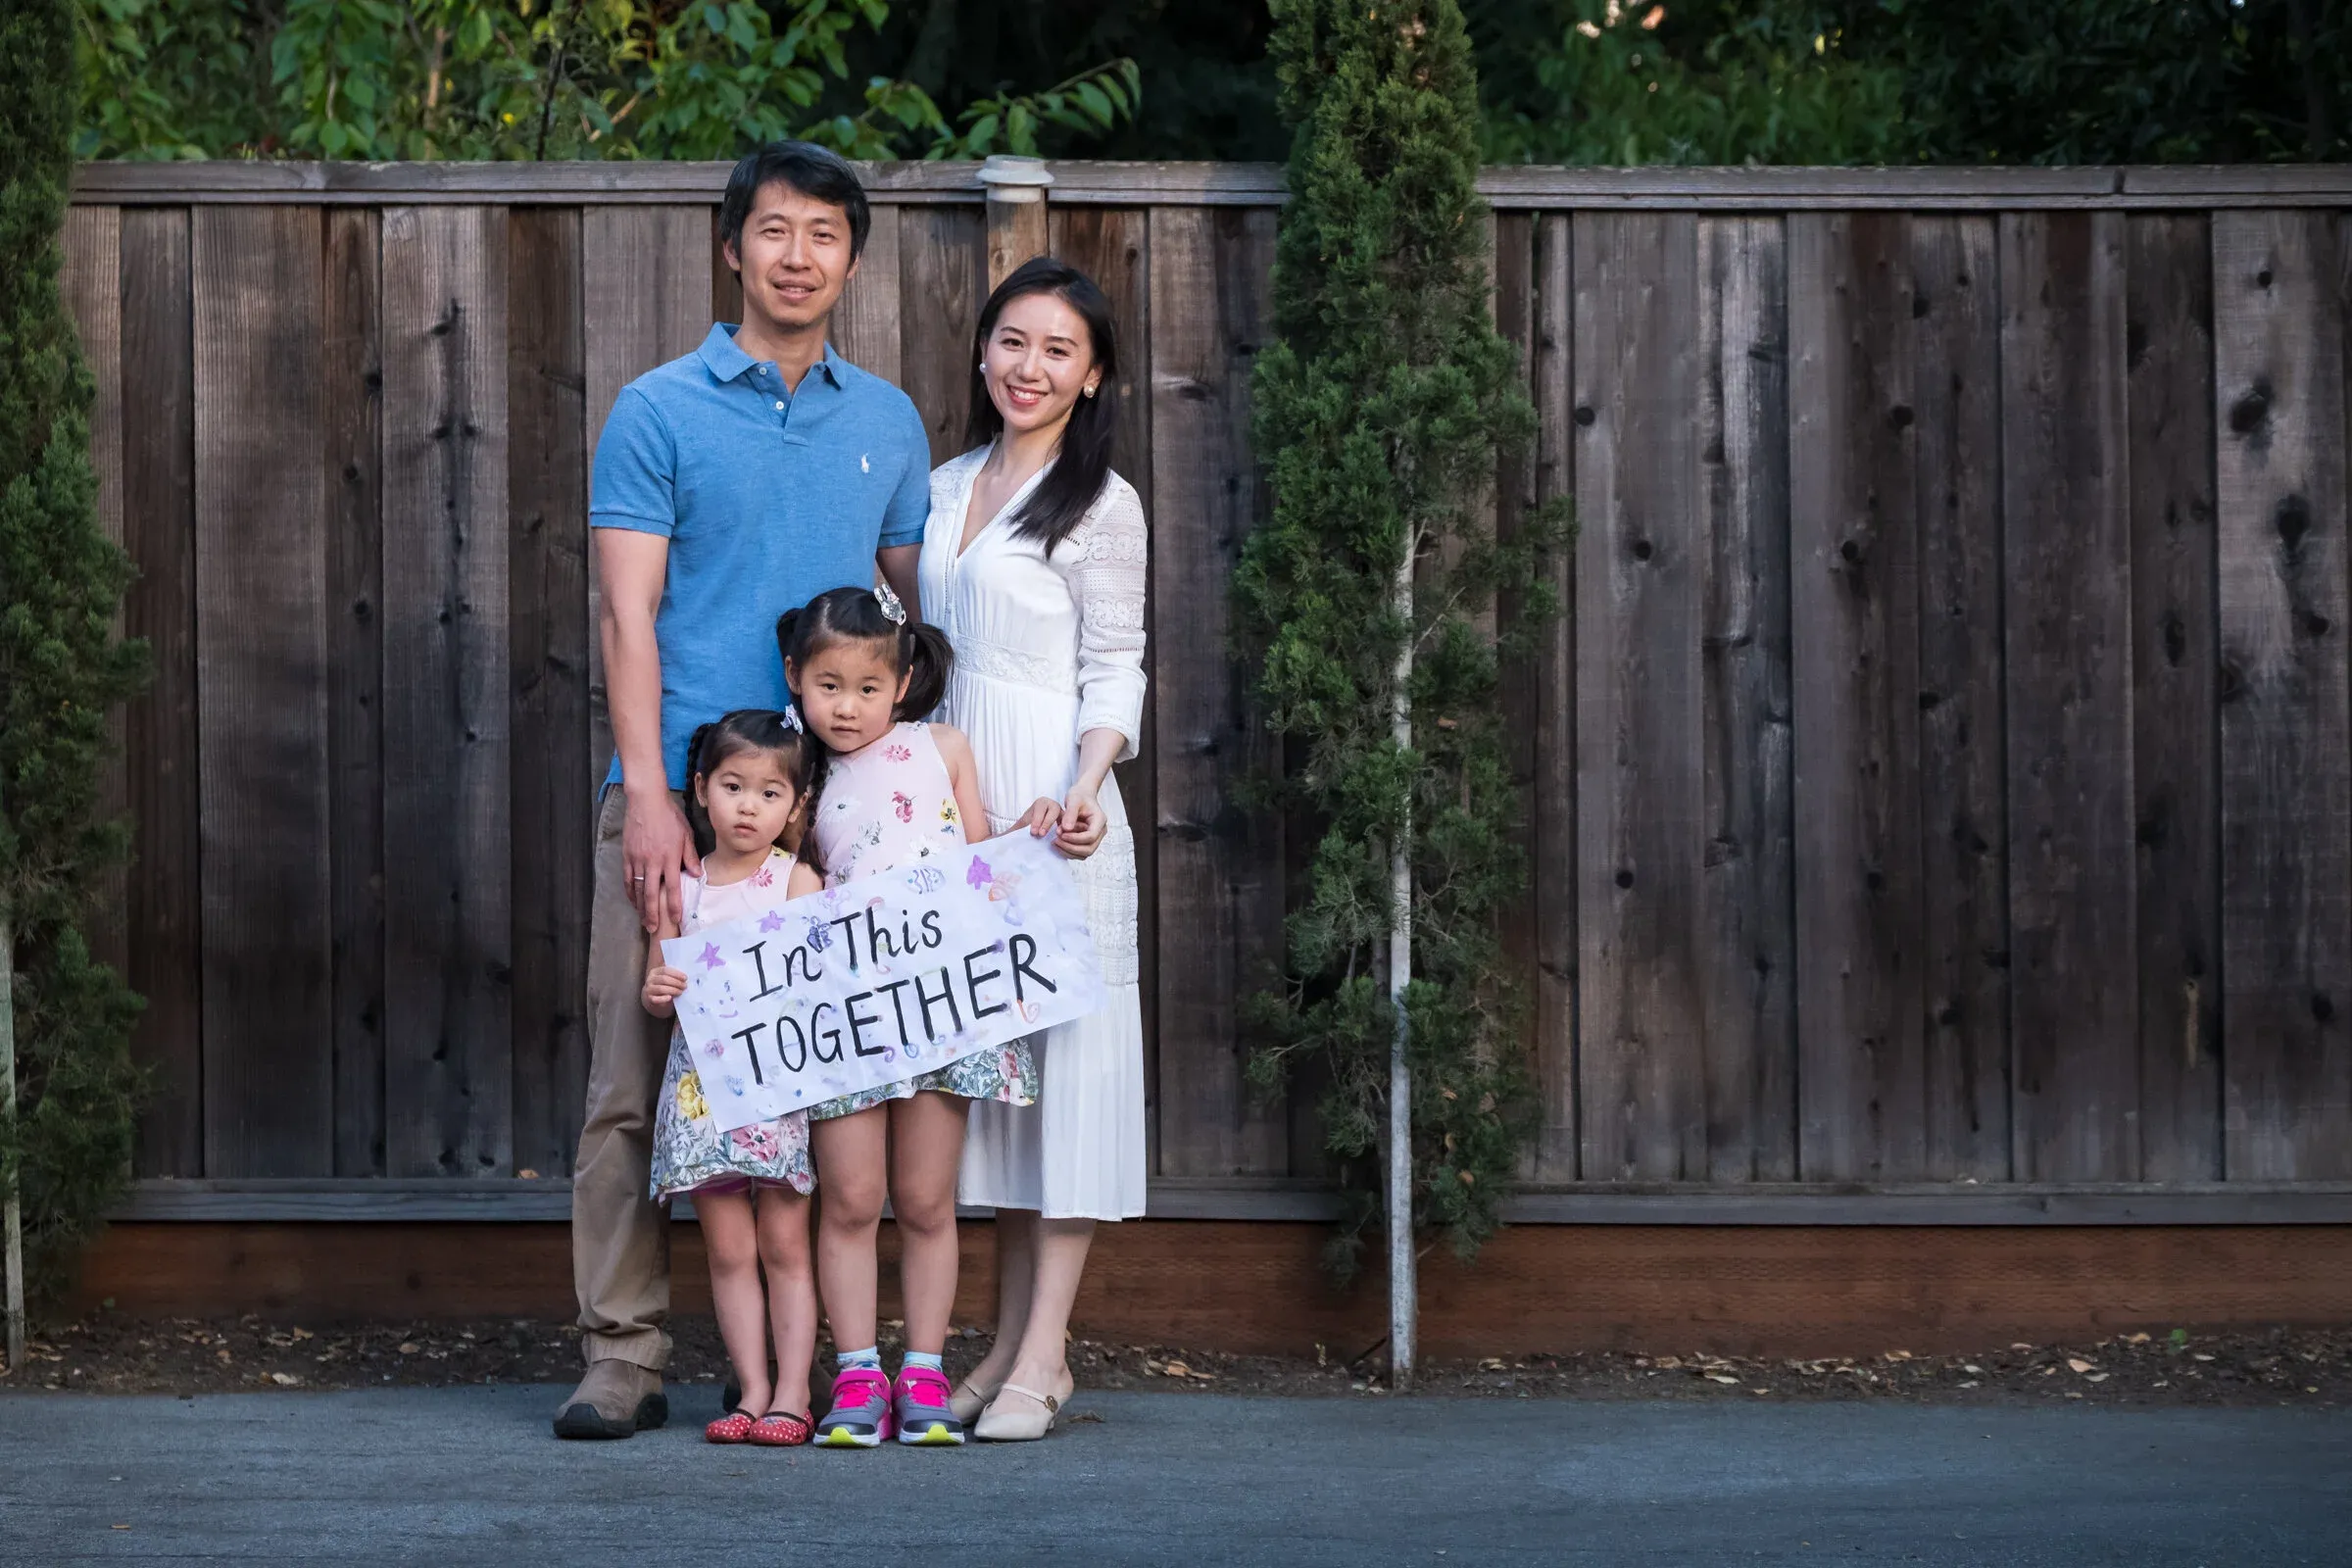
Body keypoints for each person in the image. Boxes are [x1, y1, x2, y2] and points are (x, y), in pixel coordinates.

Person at [559, 140, 930, 1441]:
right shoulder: (656, 410)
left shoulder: (887, 421)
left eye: (823, 235)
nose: (796, 256)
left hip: (825, 825)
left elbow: (903, 623)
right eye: (773, 230)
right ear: (733, 246)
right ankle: (624, 1355)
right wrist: (655, 795)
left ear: (851, 259)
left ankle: (792, 1362)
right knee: (633, 1085)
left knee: (812, 1091)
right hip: (673, 802)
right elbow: (627, 610)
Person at [923, 258, 1148, 1441]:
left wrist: (1085, 783)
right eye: (1015, 341)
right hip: (959, 813)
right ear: (983, 350)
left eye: (1059, 350)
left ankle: (1046, 1352)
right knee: (997, 1094)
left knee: (1065, 1082)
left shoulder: (1102, 502)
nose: (1030, 366)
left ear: (1093, 373)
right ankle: (1004, 1345)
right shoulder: (943, 483)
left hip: (1056, 814)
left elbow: (1117, 665)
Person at [779, 586, 1054, 1446]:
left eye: (866, 687)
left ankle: (925, 1372)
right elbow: (774, 884)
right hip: (848, 1013)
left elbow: (981, 861)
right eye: (828, 686)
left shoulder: (942, 747)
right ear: (796, 680)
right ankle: (859, 1371)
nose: (847, 706)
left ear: (901, 683)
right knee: (853, 1198)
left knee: (927, 1198)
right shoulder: (798, 774)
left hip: (939, 1010)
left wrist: (1036, 832)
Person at [641, 710, 826, 1446]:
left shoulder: (797, 881)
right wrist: (657, 991)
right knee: (726, 1249)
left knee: (784, 1242)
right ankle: (748, 1387)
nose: (749, 806)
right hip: (702, 1093)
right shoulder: (682, 891)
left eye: (770, 792)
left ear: (795, 806)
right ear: (700, 791)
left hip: (777, 1088)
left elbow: (823, 982)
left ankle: (792, 1394)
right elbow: (660, 983)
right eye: (732, 786)